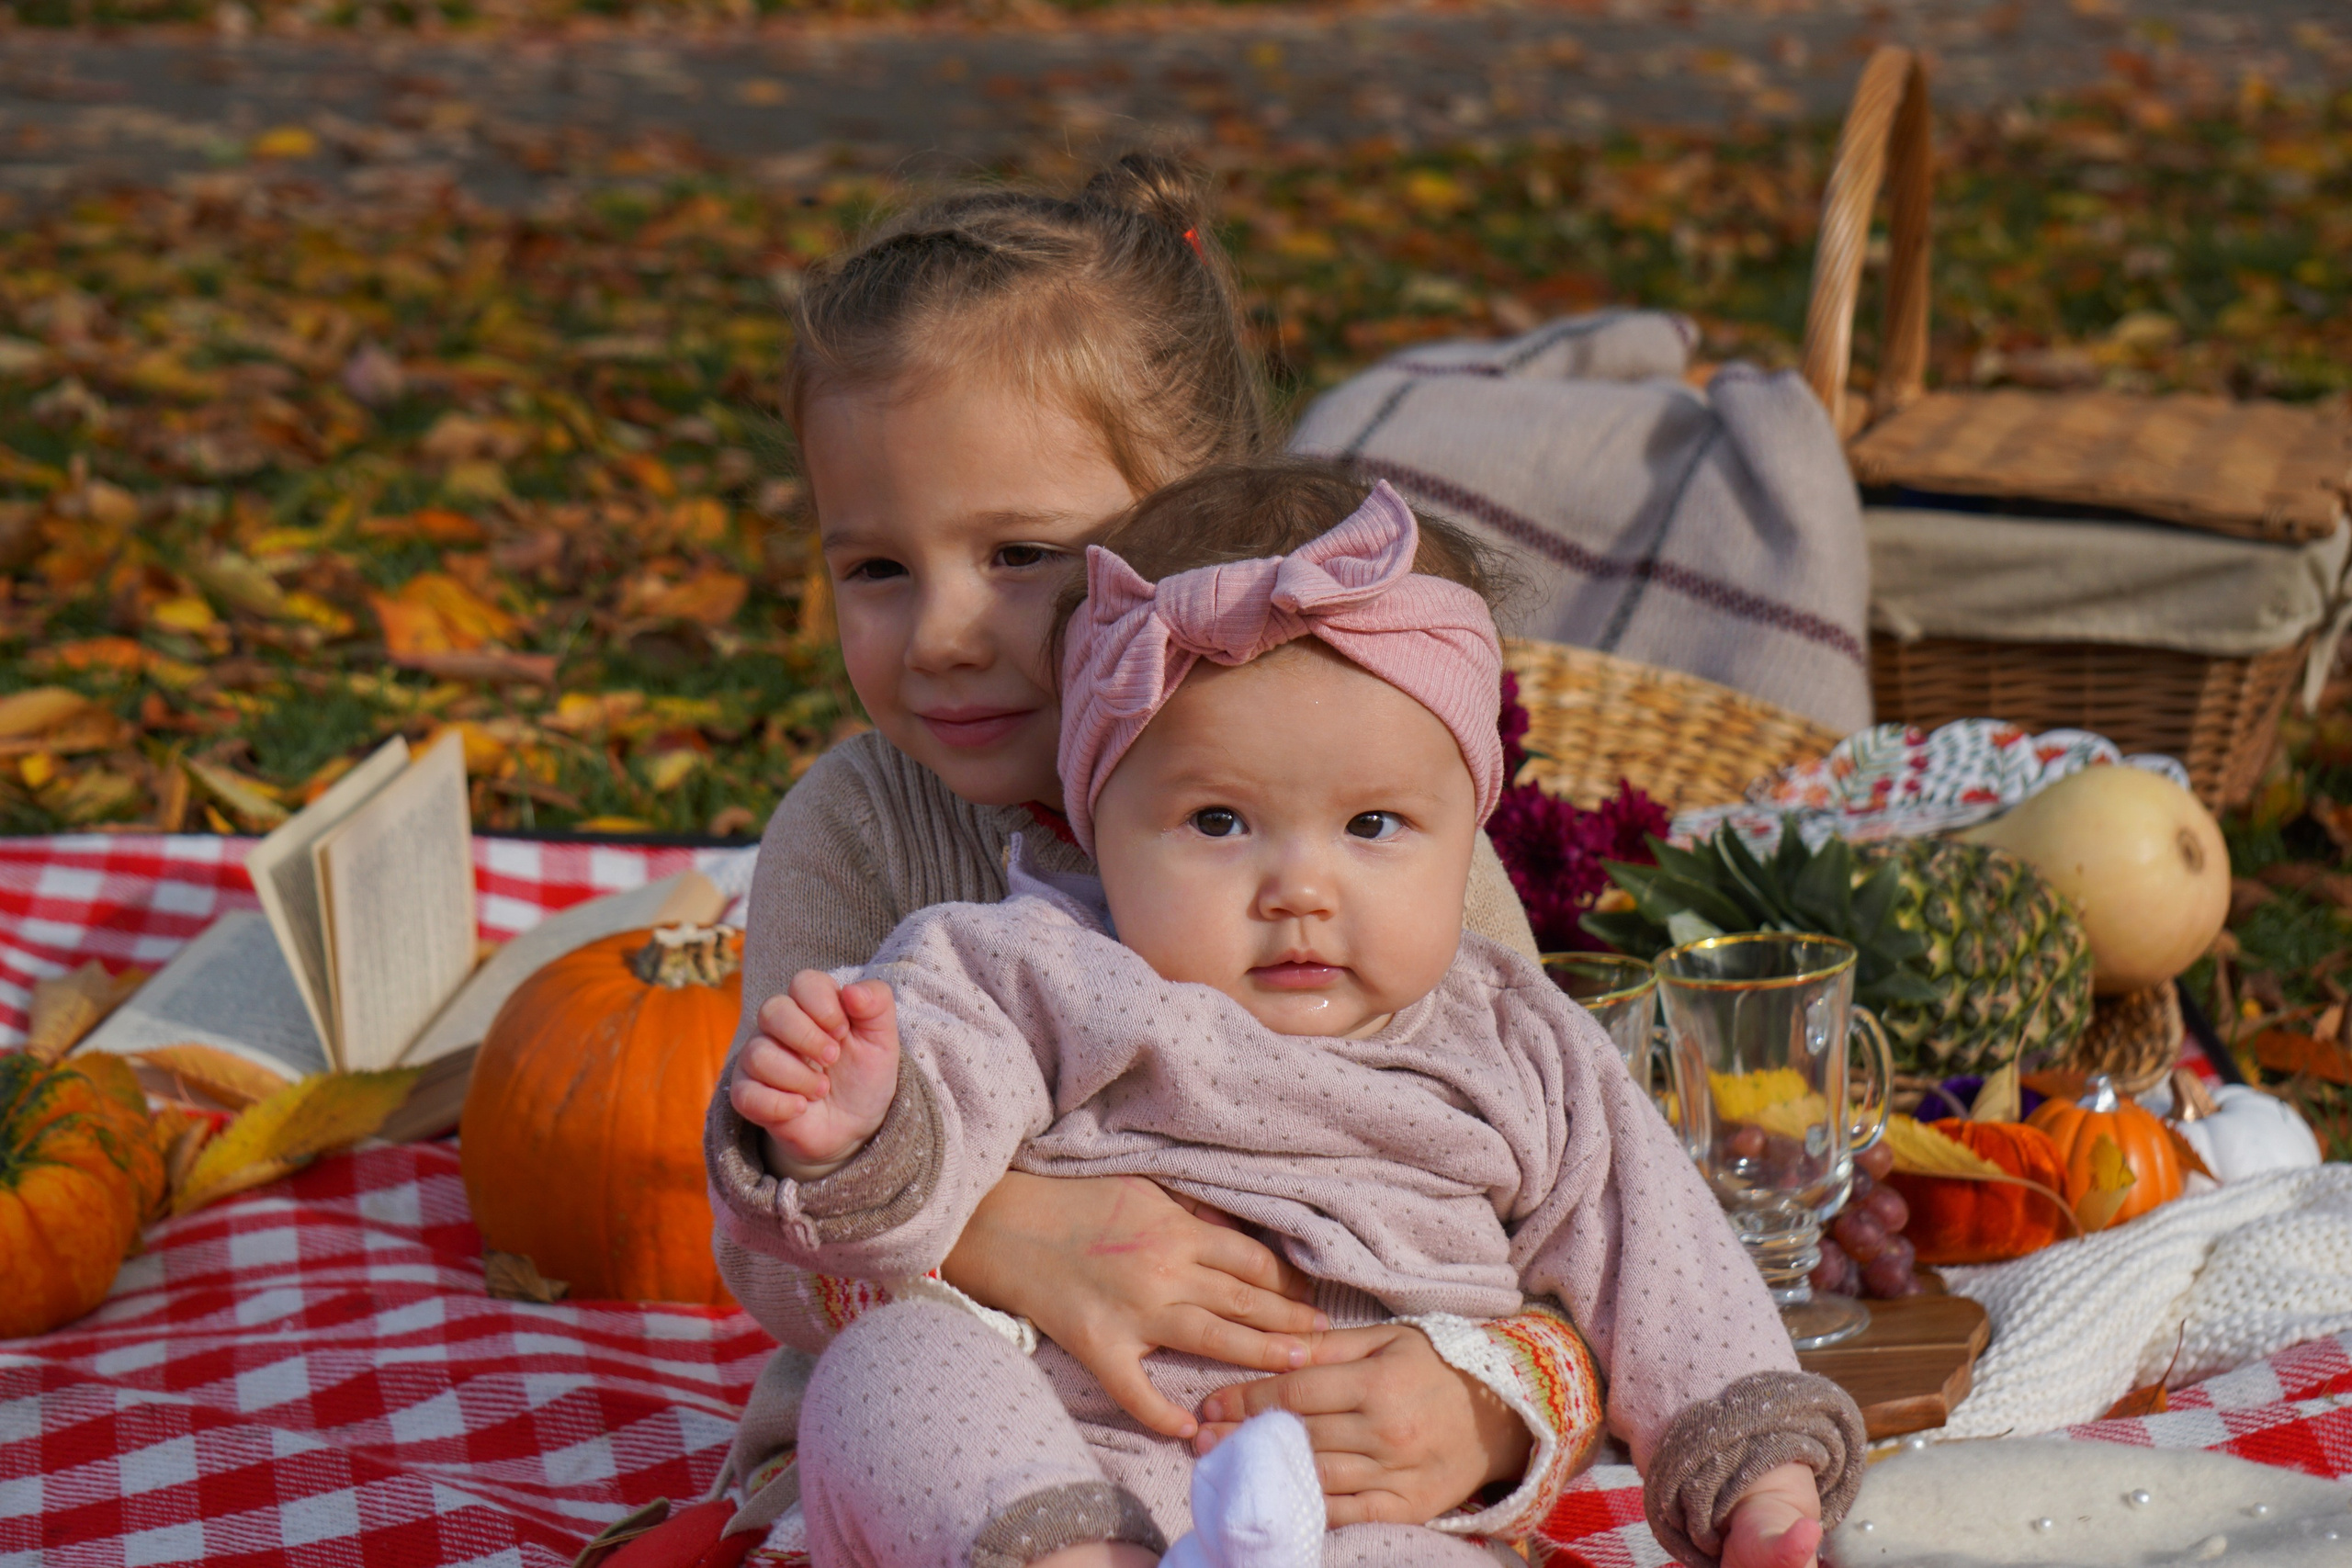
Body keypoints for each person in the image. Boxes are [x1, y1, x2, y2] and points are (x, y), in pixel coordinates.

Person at [701, 153, 1601, 1560]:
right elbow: (766, 1231)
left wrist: (1490, 1406)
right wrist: (1004, 1232)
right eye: (873, 567)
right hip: (985, 1454)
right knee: (918, 1422)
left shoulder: (1385, 828)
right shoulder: (863, 827)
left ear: (1187, 527)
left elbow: (1567, 1209)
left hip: (1319, 1455)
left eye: (1019, 553)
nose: (941, 628)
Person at [721, 466, 1864, 1568]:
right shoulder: (1031, 967)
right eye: (1219, 823)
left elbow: (1664, 1262)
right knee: (897, 1366)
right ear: (1095, 819)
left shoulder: (1517, 1035)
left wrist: (1755, 1470)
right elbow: (928, 1105)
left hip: (1360, 1500)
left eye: (1372, 826)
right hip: (1075, 1461)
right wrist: (856, 1126)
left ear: (1467, 826)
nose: (1301, 889)